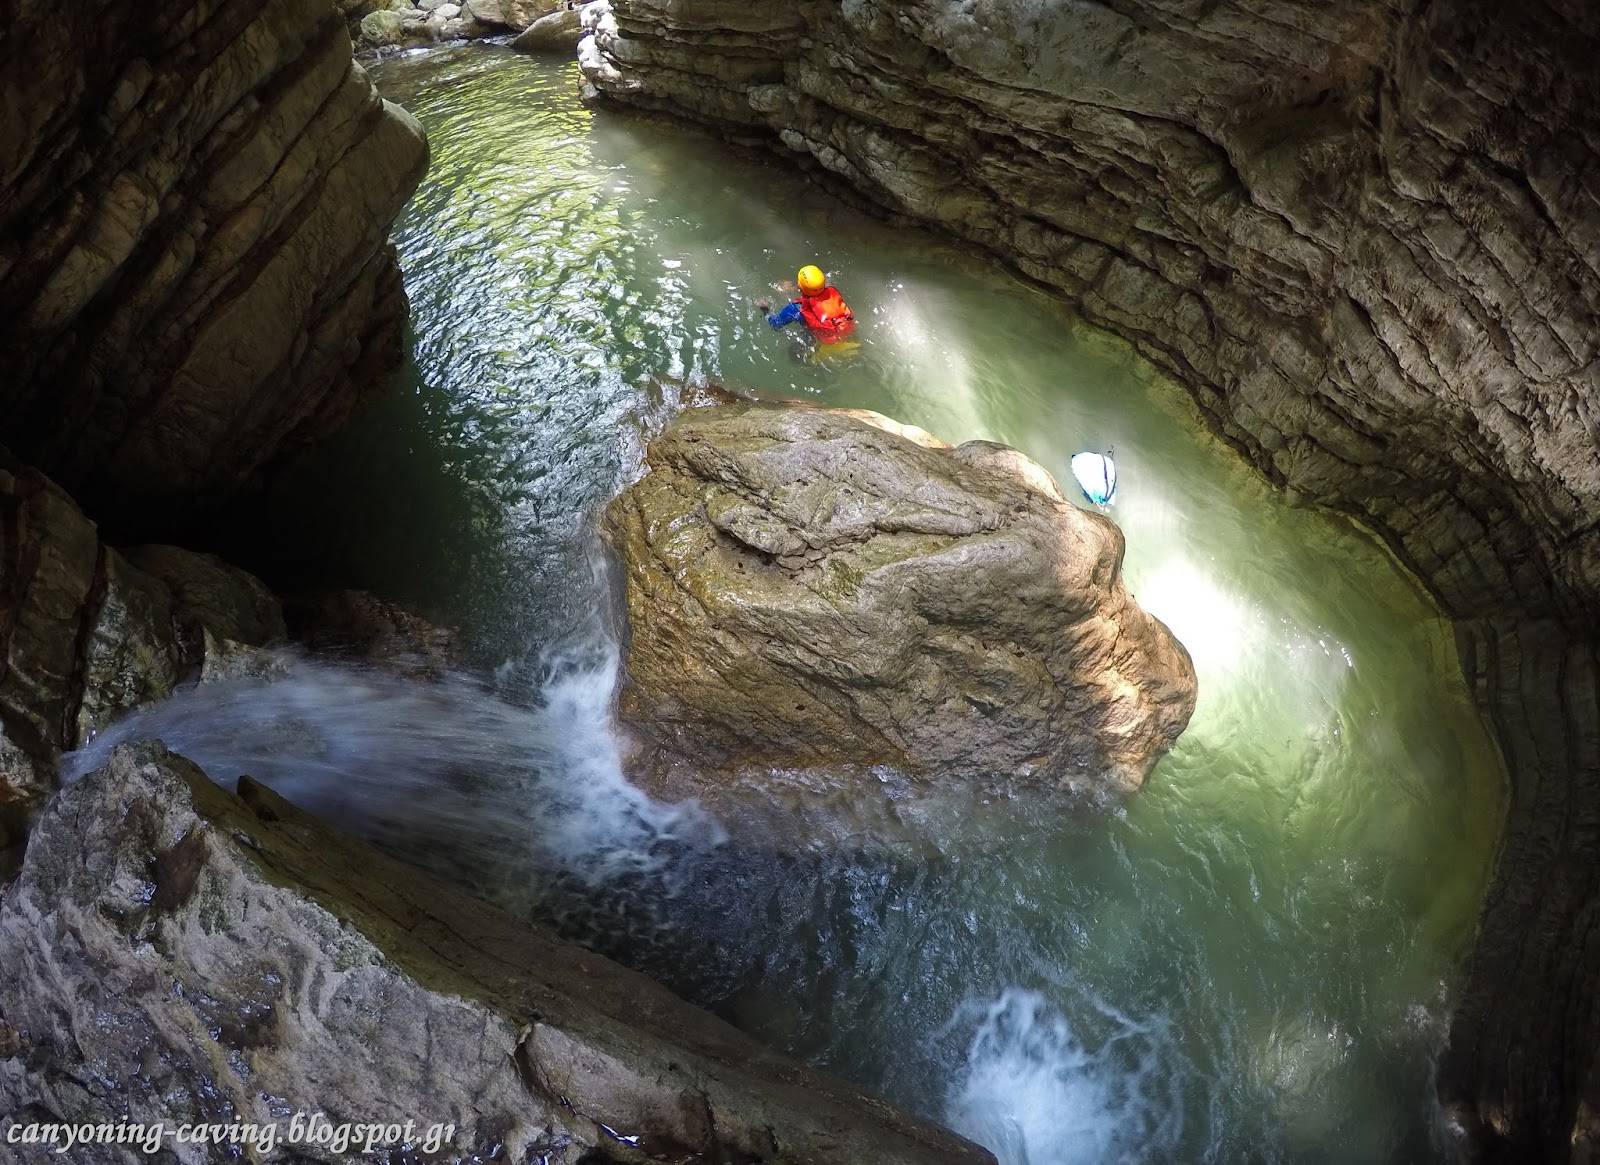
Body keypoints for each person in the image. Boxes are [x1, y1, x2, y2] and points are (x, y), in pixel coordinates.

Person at [757, 265, 855, 343]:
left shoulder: (796, 308)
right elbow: (813, 291)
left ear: (800, 286)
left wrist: (765, 309)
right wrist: (794, 288)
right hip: (848, 332)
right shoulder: (831, 293)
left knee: (793, 354)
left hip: (827, 343)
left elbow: (775, 324)